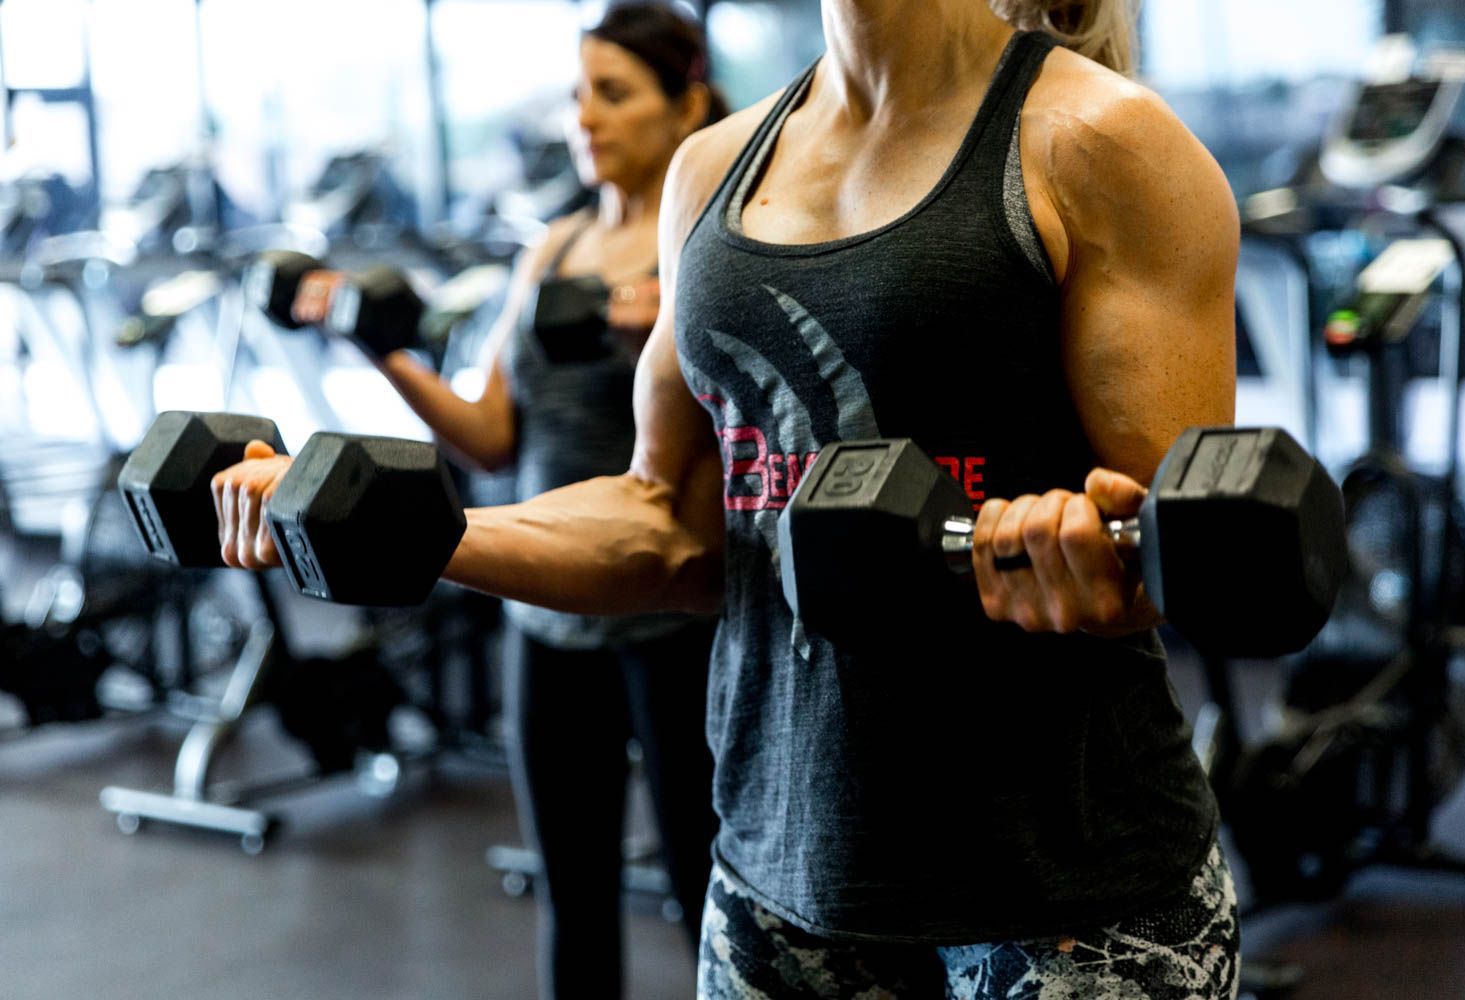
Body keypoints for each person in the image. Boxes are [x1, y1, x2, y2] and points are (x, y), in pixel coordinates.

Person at [216, 0, 1242, 995]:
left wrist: (1088, 553)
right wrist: (400, 529)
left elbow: (1187, 541)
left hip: (1068, 894)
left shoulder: (1100, 141)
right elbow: (670, 525)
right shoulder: (710, 173)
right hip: (776, 879)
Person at [269, 5, 726, 998]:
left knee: (708, 886)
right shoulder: (550, 249)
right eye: (577, 96)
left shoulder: (715, 239)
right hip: (543, 614)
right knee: (573, 892)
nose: (585, 119)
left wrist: (658, 310)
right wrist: (374, 344)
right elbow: (488, 436)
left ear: (687, 101)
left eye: (614, 94)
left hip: (669, 607)